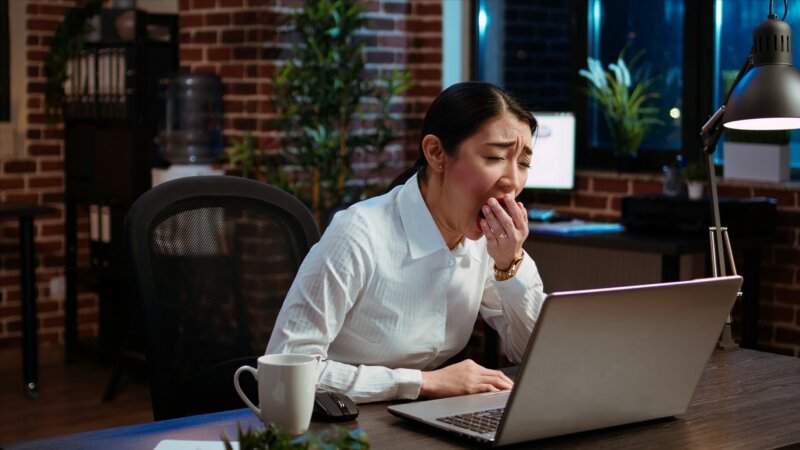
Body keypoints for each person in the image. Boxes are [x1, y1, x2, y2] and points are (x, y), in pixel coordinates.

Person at [266, 81, 546, 403]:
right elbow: (289, 370)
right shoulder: (359, 233)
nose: (512, 180)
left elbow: (534, 352)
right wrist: (422, 383)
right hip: (338, 426)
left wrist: (510, 265)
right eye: (495, 157)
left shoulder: (486, 245)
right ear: (436, 153)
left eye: (523, 163)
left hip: (417, 417)